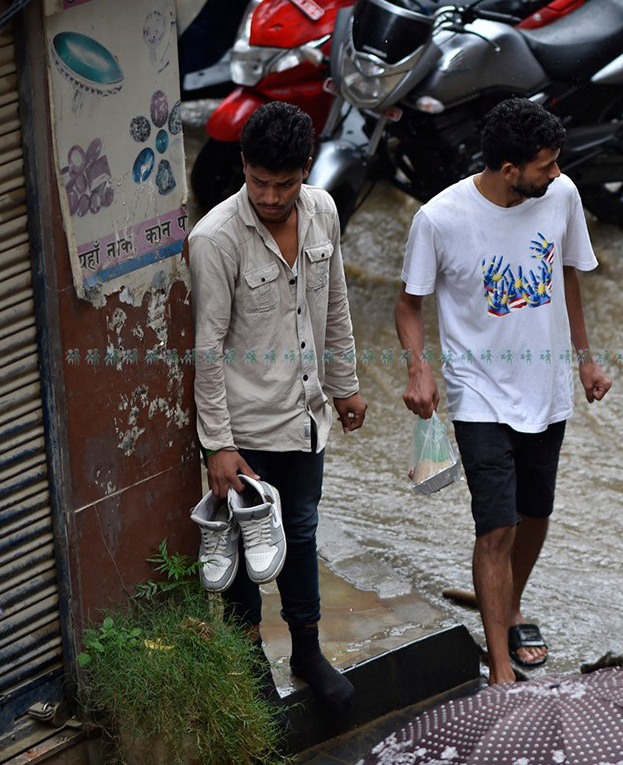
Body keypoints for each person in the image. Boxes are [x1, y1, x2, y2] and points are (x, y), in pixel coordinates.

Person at [395, 97, 611, 684]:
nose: (558, 174)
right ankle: (499, 669)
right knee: (496, 527)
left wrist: (586, 361)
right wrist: (418, 367)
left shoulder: (561, 198)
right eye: (546, 165)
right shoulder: (440, 220)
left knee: (535, 511)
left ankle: (510, 606)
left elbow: (566, 272)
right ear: (509, 169)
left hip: (547, 387)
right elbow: (409, 305)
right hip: (478, 392)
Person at [187, 101, 366, 717]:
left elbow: (335, 302)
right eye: (258, 181)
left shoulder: (323, 211)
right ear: (242, 166)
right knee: (240, 550)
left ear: (304, 171)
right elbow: (206, 349)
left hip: (306, 417)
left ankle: (308, 652)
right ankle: (247, 659)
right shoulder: (214, 240)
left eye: (283, 184)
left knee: (302, 532)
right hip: (245, 429)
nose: (269, 195)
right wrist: (217, 445)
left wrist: (345, 387)